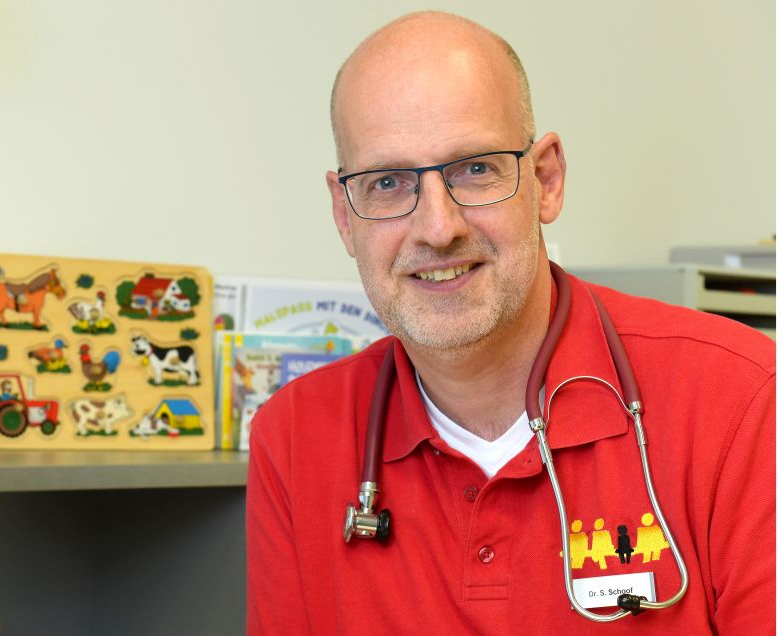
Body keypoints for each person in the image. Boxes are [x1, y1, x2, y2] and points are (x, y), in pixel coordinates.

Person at [246, 11, 774, 634]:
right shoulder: (295, 437)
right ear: (344, 214)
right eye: (387, 182)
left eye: (475, 168)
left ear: (545, 180)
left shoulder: (743, 402)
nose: (438, 228)